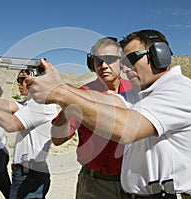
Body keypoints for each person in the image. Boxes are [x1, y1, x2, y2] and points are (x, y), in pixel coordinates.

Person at [26, 29, 191, 199]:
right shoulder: (141, 93)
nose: (126, 68)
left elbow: (126, 129)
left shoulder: (179, 90)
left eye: (131, 60)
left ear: (158, 55)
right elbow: (106, 100)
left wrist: (61, 93)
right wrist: (60, 88)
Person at [51, 37, 137, 199]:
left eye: (110, 60)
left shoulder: (136, 91)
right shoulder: (82, 93)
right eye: (98, 61)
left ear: (122, 62)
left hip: (134, 181)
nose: (103, 65)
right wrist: (66, 105)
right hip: (95, 184)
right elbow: (57, 139)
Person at [0, 70, 58, 199]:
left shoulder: (40, 106)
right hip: (24, 172)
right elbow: (6, 105)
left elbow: (10, 125)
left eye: (22, 80)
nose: (19, 84)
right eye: (18, 80)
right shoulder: (29, 104)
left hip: (30, 173)